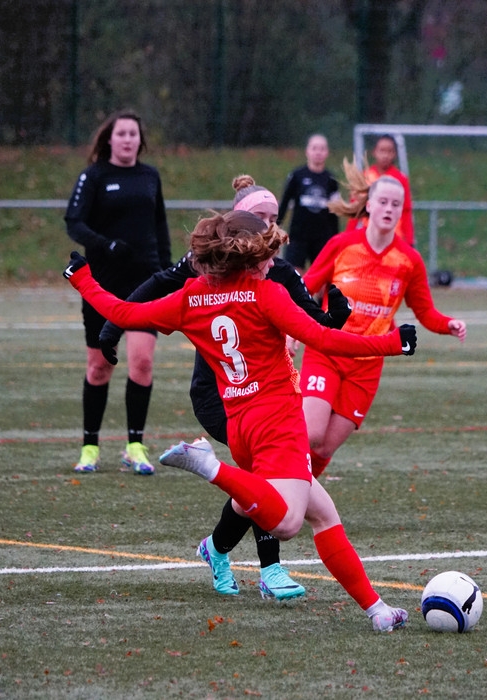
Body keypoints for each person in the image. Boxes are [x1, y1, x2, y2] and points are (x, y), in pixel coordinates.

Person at [64, 209, 416, 632]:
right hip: (278, 422)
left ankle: (376, 611)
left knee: (324, 514)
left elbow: (123, 312)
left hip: (240, 425)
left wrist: (82, 278)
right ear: (249, 258)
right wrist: (394, 343)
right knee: (286, 522)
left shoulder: (190, 297)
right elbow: (323, 338)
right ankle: (209, 465)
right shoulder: (265, 294)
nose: (272, 263)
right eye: (267, 255)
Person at [97, 175, 352, 600]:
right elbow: (160, 283)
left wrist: (336, 316)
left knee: (262, 481)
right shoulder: (205, 267)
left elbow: (315, 326)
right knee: (265, 477)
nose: (269, 226)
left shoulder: (279, 272)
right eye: (259, 217)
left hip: (265, 397)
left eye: (274, 218)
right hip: (218, 395)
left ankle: (216, 549)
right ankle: (269, 570)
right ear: (237, 222)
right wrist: (112, 327)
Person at [300, 175, 468, 479]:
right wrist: (289, 326)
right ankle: (280, 489)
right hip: (326, 351)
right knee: (311, 434)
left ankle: (295, 496)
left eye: (397, 204)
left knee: (324, 448)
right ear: (369, 206)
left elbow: (425, 311)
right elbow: (306, 286)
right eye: (383, 202)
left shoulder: (409, 260)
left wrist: (448, 324)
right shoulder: (342, 245)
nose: (389, 209)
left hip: (366, 365)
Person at [64, 109, 171, 474]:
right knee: (99, 367)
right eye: (121, 133)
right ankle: (90, 447)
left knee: (142, 362)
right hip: (101, 284)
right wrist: (106, 246)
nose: (127, 139)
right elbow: (73, 221)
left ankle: (134, 446)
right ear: (109, 138)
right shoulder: (94, 176)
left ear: (141, 140)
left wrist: (169, 273)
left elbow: (160, 225)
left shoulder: (150, 176)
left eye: (133, 134)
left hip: (145, 283)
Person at [277, 134, 340, 270]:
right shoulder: (297, 176)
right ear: (307, 151)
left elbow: (335, 212)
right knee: (294, 275)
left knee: (321, 276)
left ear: (327, 152)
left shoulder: (331, 180)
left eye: (322, 149)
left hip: (322, 238)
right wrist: (276, 226)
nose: (318, 152)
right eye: (314, 148)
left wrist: (336, 238)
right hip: (298, 236)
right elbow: (285, 203)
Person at [363, 135, 414, 246]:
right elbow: (355, 209)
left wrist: (409, 240)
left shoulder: (401, 179)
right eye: (382, 150)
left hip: (394, 239)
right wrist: (348, 234)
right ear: (374, 152)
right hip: (368, 238)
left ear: (394, 154)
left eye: (389, 151)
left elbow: (406, 211)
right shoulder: (366, 177)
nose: (385, 155)